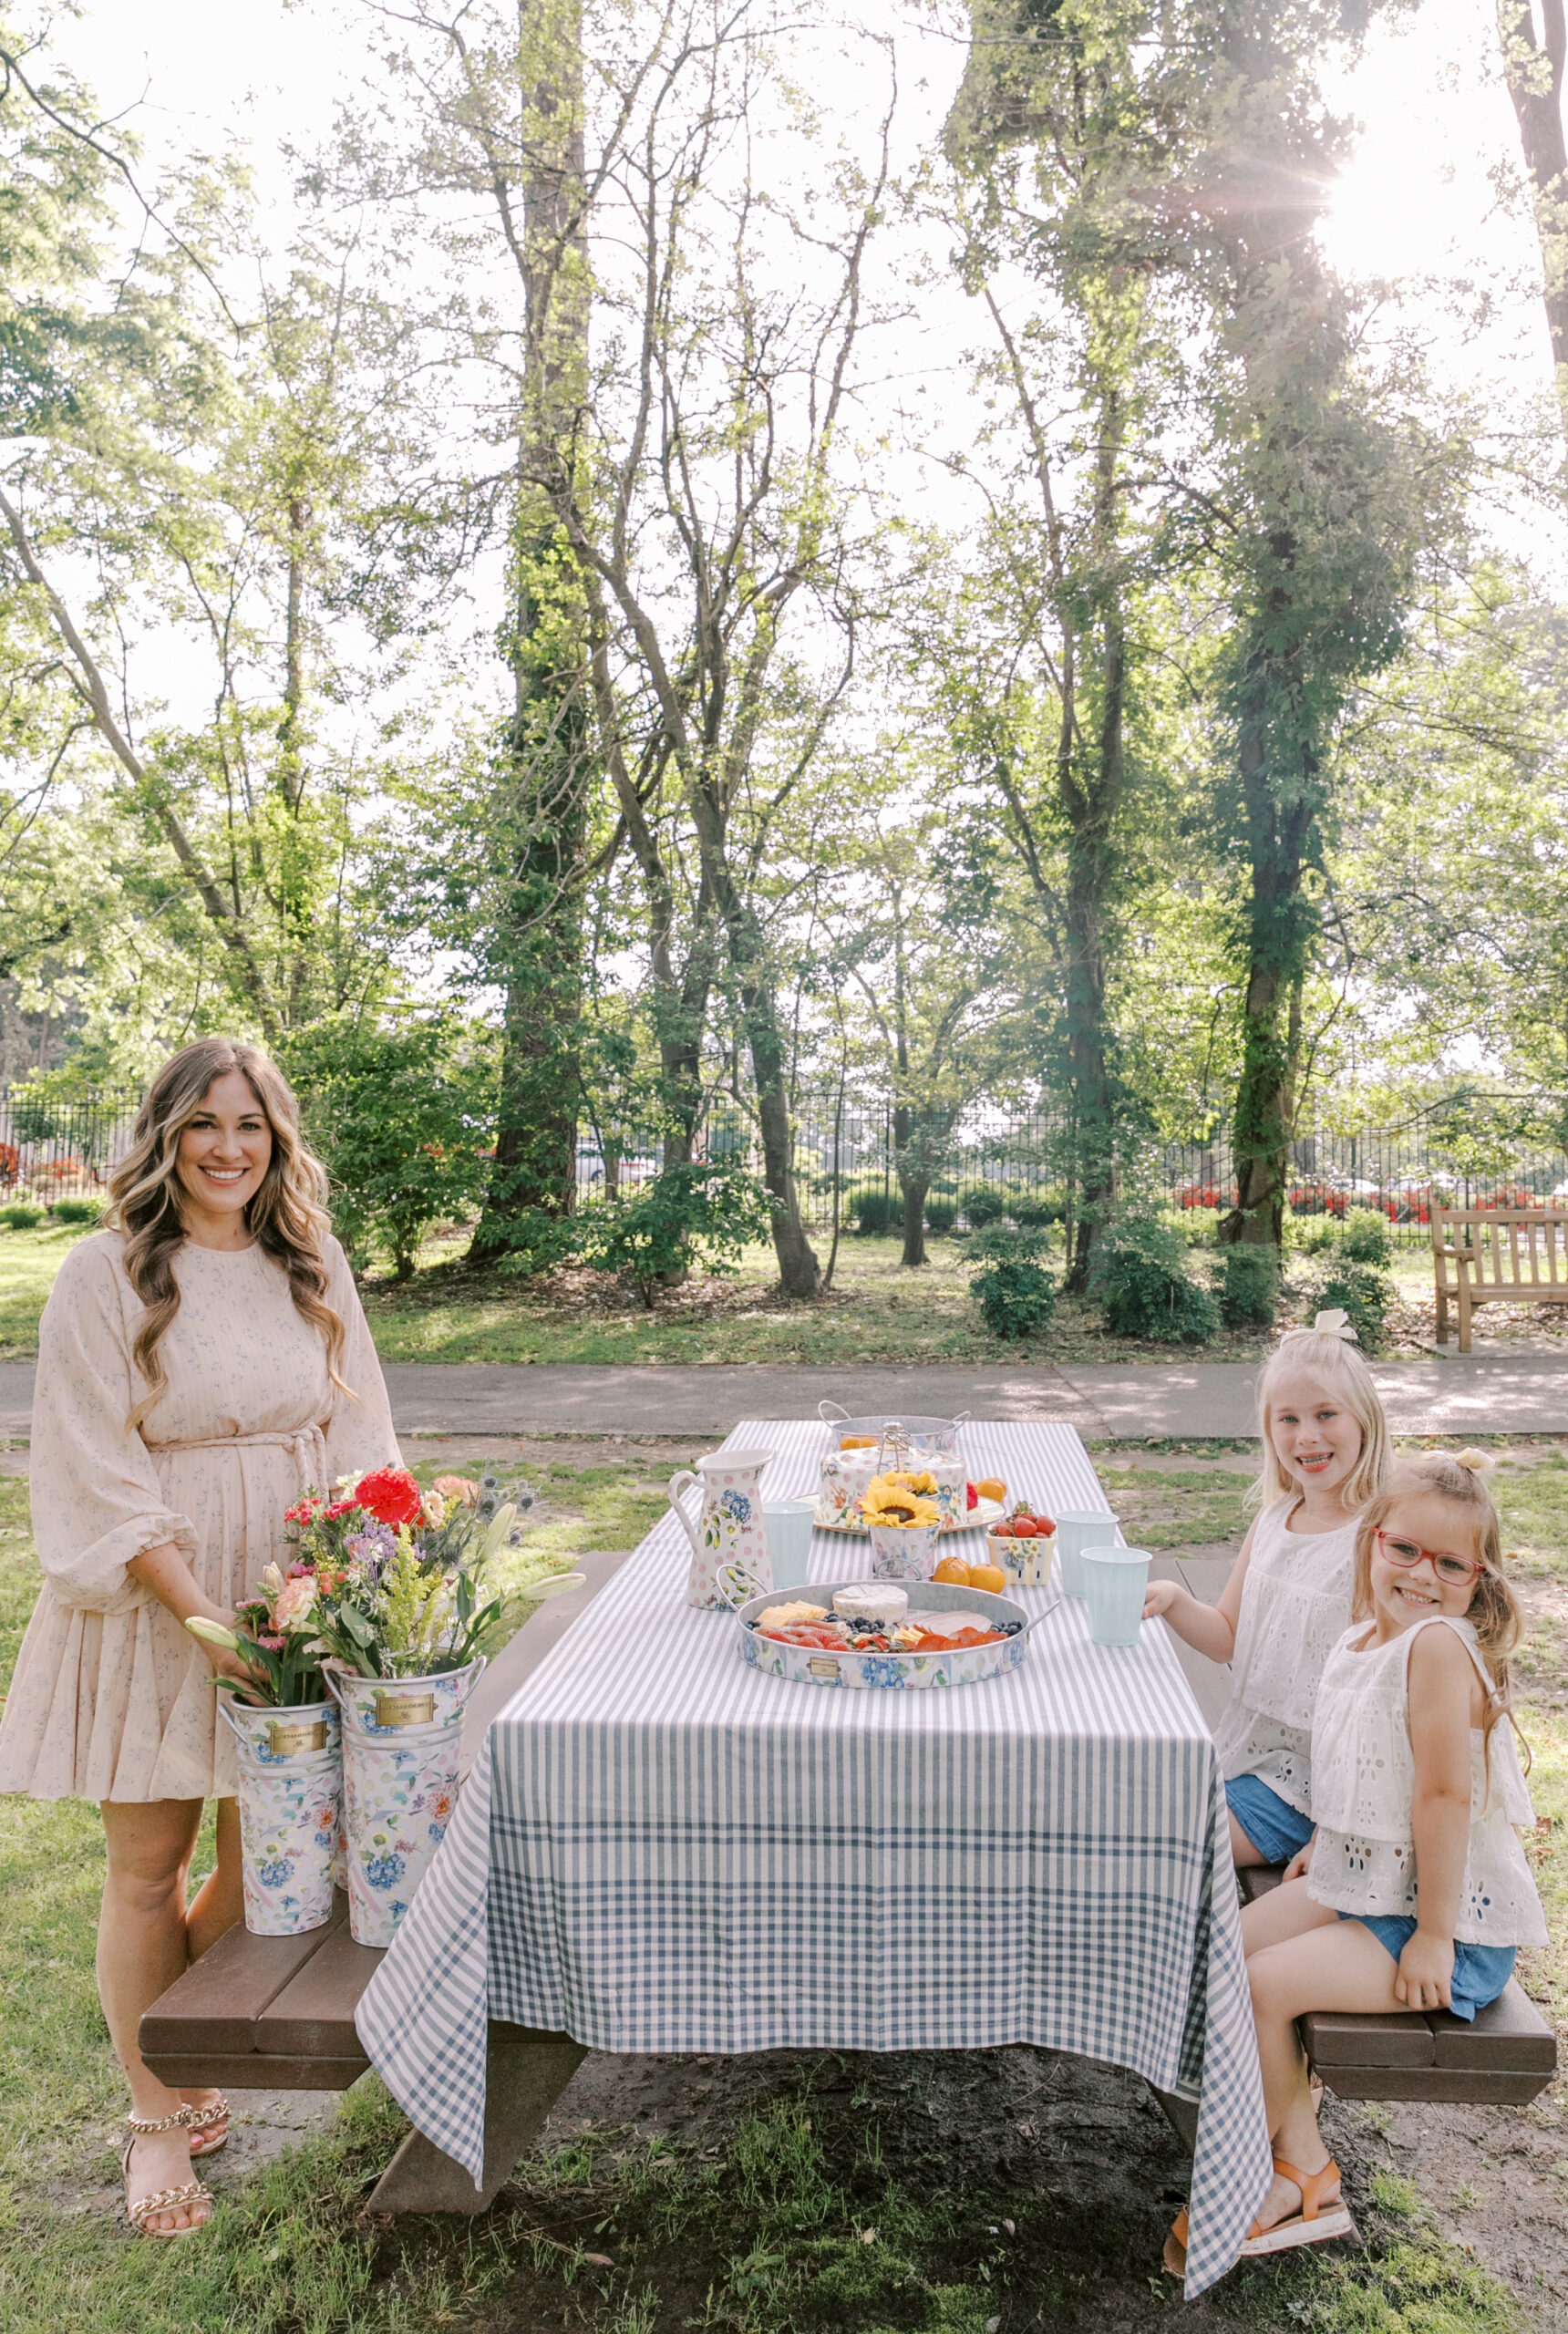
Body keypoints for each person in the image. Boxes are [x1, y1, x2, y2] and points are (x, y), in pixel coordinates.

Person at [0, 1039, 399, 2238]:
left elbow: (364, 1432)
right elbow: (97, 1466)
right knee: (146, 1871)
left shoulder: (312, 1262)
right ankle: (156, 2117)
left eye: (253, 1127)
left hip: (293, 1587)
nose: (230, 1149)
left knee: (276, 1861)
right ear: (165, 1135)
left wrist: (343, 1592)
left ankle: (183, 2055)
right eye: (203, 1126)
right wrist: (205, 1624)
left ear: (278, 1141)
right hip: (158, 1598)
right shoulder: (104, 1272)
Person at [1214, 1451, 1545, 2257]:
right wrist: (1333, 1834)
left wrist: (1434, 1935)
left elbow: (1443, 1796)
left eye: (1450, 1563)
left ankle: (1298, 2173)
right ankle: (1279, 2128)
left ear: (1478, 1577)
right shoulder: (1366, 1635)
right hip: (1373, 1884)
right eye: (1405, 1549)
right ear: (1372, 1539)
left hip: (1443, 1923)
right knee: (1221, 1953)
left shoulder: (1434, 1645)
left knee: (1260, 1985)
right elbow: (1371, 1763)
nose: (1423, 1574)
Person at [1142, 1309, 1390, 1869]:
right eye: (1288, 1419)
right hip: (1244, 1755)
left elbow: (1384, 1694)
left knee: (1166, 1851)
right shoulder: (1276, 1518)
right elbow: (1228, 1638)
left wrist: (1341, 1827)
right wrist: (1177, 1601)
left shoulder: (1377, 1539)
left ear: (1365, 1421)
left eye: (1327, 1414)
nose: (1307, 1436)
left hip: (1312, 1788)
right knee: (1131, 1807)